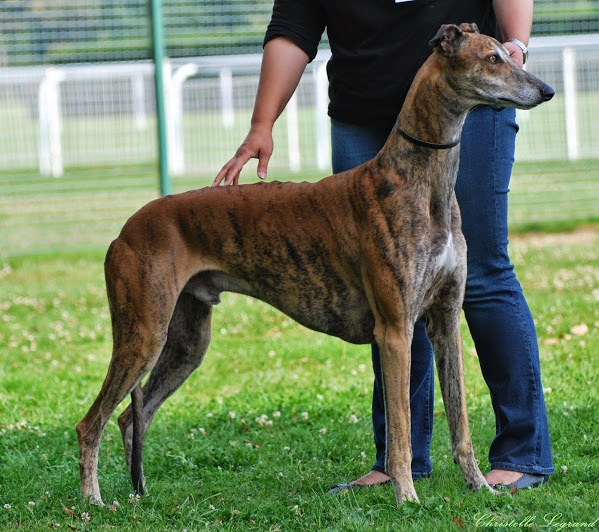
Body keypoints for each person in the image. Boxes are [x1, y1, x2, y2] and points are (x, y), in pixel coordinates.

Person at [213, 0, 553, 490]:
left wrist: (514, 44)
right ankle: (400, 460)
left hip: (467, 98)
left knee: (481, 273)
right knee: (388, 291)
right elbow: (294, 24)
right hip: (364, 109)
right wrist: (262, 123)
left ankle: (522, 452)